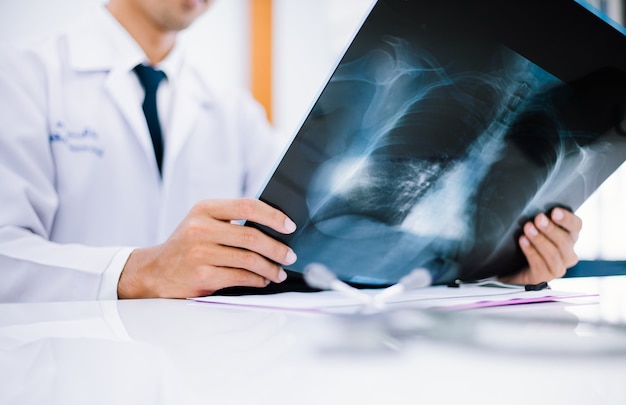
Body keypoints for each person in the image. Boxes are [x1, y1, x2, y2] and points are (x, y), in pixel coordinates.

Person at [0, 0, 581, 303]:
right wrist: (138, 270)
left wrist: (501, 266)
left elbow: (305, 252)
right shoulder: (22, 76)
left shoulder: (233, 114)